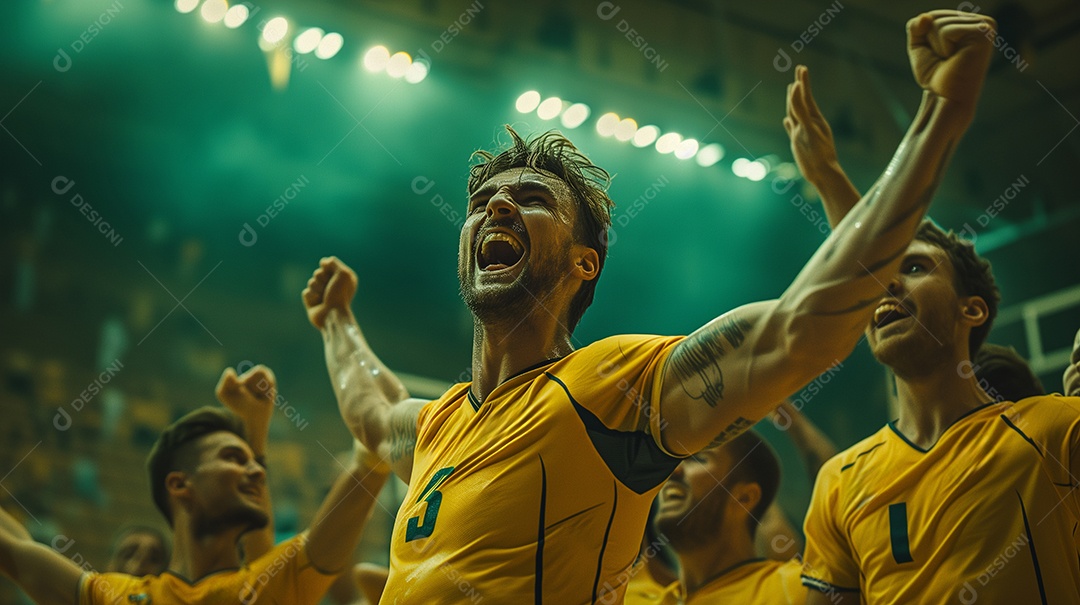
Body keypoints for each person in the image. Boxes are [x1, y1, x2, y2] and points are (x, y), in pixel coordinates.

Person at [305, 10, 997, 602]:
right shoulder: (435, 428)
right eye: (482, 203)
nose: (499, 205)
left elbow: (800, 330)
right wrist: (336, 320)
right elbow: (370, 408)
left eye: (533, 199)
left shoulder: (611, 387)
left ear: (586, 262)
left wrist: (941, 114)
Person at [786, 48, 1080, 605]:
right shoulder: (840, 481)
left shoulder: (1051, 432)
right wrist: (826, 177)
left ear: (972, 309)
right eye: (878, 279)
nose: (887, 286)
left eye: (917, 268)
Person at [0, 365, 390, 605]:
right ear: (180, 485)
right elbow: (15, 548)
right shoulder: (116, 596)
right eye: (232, 459)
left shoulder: (267, 587)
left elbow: (369, 463)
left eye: (253, 463)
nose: (256, 472)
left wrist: (255, 429)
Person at [649, 431, 805, 605]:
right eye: (672, 460)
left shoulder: (795, 589)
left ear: (744, 498)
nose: (673, 470)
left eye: (699, 458)